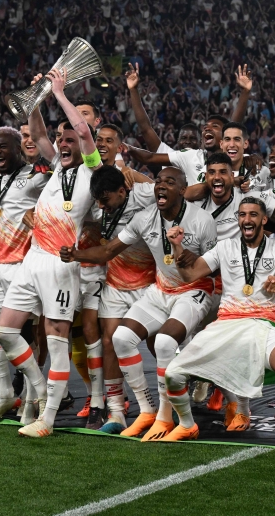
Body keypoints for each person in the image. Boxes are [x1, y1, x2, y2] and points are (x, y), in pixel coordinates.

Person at [61, 166, 217, 441]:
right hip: (160, 290)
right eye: (158, 181)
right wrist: (76, 254)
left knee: (165, 343)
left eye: (170, 182)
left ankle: (166, 418)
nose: (161, 186)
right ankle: (146, 410)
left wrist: (194, 259)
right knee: (120, 339)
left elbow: (216, 266)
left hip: (194, 290)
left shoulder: (202, 220)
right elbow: (109, 250)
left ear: (182, 190)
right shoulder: (145, 218)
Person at [0, 67, 104, 438]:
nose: (64, 143)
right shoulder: (56, 165)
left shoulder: (92, 170)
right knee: (5, 331)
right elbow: (37, 133)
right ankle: (38, 389)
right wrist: (36, 99)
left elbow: (84, 131)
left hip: (60, 264)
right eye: (61, 139)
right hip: (32, 259)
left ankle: (48, 419)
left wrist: (59, 93)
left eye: (69, 139)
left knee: (55, 341)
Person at [163, 198, 275, 450]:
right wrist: (177, 247)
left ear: (263, 220)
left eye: (253, 215)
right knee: (173, 375)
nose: (246, 220)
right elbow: (191, 274)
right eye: (242, 215)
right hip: (227, 322)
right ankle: (186, 425)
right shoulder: (224, 247)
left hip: (264, 322)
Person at [0, 125, 51, 422]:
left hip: (23, 266)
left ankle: (33, 399)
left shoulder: (34, 178)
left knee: (22, 335)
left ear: (18, 148)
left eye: (2, 147)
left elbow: (54, 171)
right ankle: (7, 394)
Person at [82, 165, 157, 433]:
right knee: (109, 341)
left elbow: (172, 188)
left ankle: (169, 407)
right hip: (115, 281)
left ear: (123, 191)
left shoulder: (146, 194)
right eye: (98, 200)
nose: (102, 205)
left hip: (149, 281)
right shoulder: (99, 203)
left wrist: (137, 174)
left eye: (106, 199)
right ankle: (116, 412)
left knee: (157, 343)